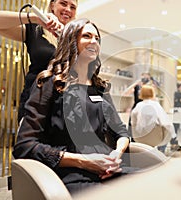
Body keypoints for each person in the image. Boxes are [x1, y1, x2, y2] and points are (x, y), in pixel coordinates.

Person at [12, 18, 131, 195]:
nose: (94, 42)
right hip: (71, 174)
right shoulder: (50, 84)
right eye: (87, 36)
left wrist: (116, 155)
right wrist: (85, 161)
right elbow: (25, 145)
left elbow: (121, 131)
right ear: (71, 40)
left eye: (97, 38)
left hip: (108, 171)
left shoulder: (100, 88)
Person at [0, 0, 78, 123]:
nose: (68, 9)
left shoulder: (76, 39)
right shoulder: (35, 29)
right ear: (52, 5)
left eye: (73, 7)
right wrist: (35, 18)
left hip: (64, 109)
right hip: (34, 105)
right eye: (63, 4)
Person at [130, 85, 175, 153]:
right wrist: (172, 133)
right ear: (152, 93)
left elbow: (133, 122)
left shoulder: (138, 106)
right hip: (156, 138)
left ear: (141, 93)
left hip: (139, 138)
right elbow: (165, 122)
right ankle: (161, 153)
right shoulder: (156, 105)